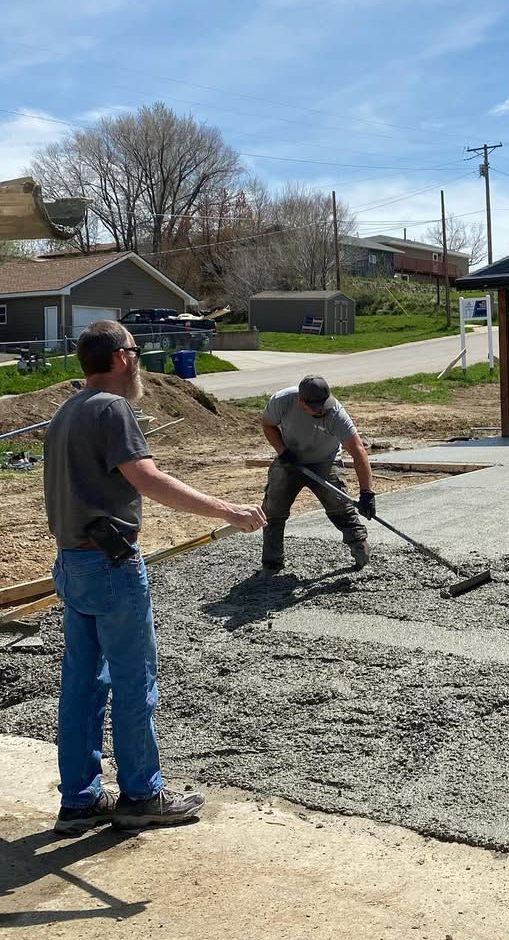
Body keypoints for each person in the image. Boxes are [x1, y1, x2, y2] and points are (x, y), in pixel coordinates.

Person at [44, 321, 267, 836]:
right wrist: (226, 511)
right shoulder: (110, 408)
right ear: (121, 358)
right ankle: (142, 794)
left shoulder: (66, 411)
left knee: (81, 685)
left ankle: (79, 800)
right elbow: (147, 478)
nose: (139, 360)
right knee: (133, 681)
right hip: (110, 567)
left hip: (72, 564)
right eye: (136, 351)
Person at [259, 375, 375, 575]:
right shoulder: (282, 401)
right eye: (316, 407)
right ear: (301, 401)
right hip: (290, 458)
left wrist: (366, 492)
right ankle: (271, 564)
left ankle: (362, 556)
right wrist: (282, 451)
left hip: (325, 461)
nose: (322, 410)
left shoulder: (336, 413)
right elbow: (267, 424)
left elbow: (358, 451)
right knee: (273, 510)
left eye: (324, 405)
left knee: (341, 506)